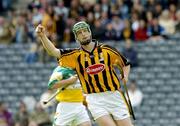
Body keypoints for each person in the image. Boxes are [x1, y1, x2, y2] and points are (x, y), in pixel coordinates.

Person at [36, 21, 134, 126]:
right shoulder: (75, 55)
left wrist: (125, 76)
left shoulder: (107, 50)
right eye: (79, 33)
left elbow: (125, 64)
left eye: (85, 31)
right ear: (76, 38)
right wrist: (42, 36)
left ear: (90, 33)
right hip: (94, 99)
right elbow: (53, 51)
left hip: (114, 95)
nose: (83, 34)